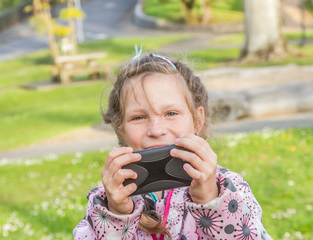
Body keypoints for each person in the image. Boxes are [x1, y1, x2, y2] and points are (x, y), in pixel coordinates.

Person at [73, 52, 272, 240]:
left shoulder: (228, 188)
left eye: (170, 113)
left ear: (197, 120)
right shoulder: (105, 200)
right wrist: (116, 214)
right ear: (120, 129)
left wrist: (210, 200)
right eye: (138, 117)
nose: (155, 129)